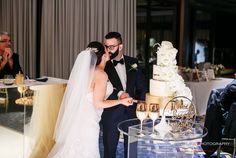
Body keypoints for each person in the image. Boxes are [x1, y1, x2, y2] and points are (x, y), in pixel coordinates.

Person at [48, 41, 133, 158]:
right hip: (88, 121)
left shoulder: (87, 72)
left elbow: (94, 91)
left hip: (79, 118)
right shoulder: (101, 74)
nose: (109, 50)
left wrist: (119, 93)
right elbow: (98, 103)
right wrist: (121, 101)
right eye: (106, 49)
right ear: (103, 55)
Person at [102, 32, 147, 158]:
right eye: (106, 46)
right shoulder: (103, 65)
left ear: (120, 46)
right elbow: (103, 89)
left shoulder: (133, 62)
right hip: (111, 114)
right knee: (109, 151)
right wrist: (119, 95)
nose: (108, 50)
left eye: (111, 47)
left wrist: (141, 107)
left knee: (132, 151)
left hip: (132, 113)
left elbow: (142, 86)